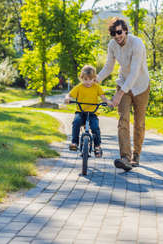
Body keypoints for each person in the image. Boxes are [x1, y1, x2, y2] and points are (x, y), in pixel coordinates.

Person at [96, 18, 150, 171]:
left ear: (125, 30)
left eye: (119, 32)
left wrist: (119, 94)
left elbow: (134, 73)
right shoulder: (112, 45)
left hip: (141, 86)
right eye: (113, 33)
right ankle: (125, 158)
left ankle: (136, 154)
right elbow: (108, 67)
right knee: (123, 119)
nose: (117, 36)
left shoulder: (137, 44)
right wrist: (96, 80)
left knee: (139, 122)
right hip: (123, 82)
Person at [64, 65, 112, 157]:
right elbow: (69, 95)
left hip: (93, 113)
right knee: (76, 122)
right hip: (81, 112)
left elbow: (103, 97)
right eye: (85, 79)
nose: (88, 82)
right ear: (81, 78)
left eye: (90, 79)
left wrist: (108, 102)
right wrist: (67, 98)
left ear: (94, 78)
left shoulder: (97, 87)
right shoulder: (79, 87)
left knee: (95, 127)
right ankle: (75, 143)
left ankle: (97, 146)